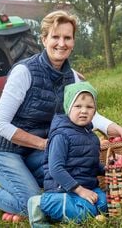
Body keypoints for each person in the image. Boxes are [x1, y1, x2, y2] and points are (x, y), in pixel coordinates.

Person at [0, 10, 122, 220]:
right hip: (4, 150)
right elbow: (0, 125)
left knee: (71, 172)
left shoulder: (73, 79)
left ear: (73, 42)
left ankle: (27, 180)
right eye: (55, 37)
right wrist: (44, 145)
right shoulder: (24, 72)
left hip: (37, 150)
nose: (61, 43)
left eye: (67, 37)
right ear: (44, 39)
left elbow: (90, 116)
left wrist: (121, 131)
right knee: (29, 205)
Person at [27, 81, 108, 226]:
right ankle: (41, 203)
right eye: (78, 106)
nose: (84, 111)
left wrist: (106, 168)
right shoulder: (61, 135)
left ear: (94, 111)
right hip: (62, 190)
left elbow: (91, 165)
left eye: (89, 107)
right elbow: (56, 169)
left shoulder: (92, 137)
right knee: (85, 213)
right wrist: (80, 190)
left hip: (87, 187)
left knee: (104, 205)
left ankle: (63, 211)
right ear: (68, 108)